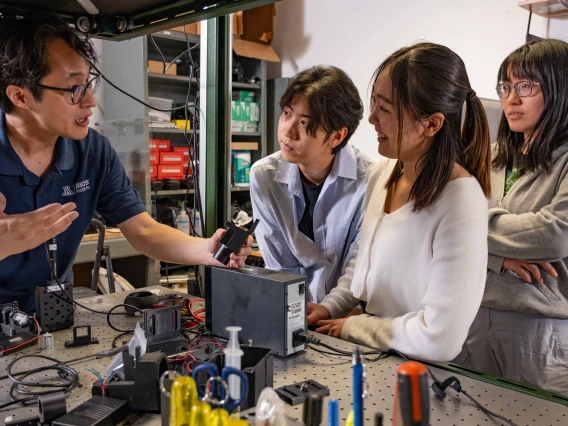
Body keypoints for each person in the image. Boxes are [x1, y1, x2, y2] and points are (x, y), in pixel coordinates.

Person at [0, 13, 251, 312]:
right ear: (20, 96)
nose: (90, 101)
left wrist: (206, 249)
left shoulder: (92, 151)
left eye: (89, 83)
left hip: (53, 316)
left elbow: (143, 231)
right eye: (74, 89)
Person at [307, 42, 492, 361]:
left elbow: (441, 338)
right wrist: (328, 307)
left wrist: (354, 327)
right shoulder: (384, 173)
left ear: (431, 124)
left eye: (386, 109)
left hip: (420, 368)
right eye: (374, 104)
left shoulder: (460, 201)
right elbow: (364, 267)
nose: (372, 119)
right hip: (374, 353)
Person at [457, 39, 568, 395]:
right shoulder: (489, 157)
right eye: (505, 87)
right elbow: (442, 227)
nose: (511, 99)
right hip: (471, 316)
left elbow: (554, 233)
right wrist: (500, 257)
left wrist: (474, 226)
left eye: (525, 86)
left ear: (559, 89)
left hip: (538, 329)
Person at [250, 66, 376, 303]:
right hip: (291, 310)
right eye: (287, 114)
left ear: (336, 136)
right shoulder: (264, 177)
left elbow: (360, 266)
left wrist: (330, 310)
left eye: (305, 123)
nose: (288, 131)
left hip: (347, 315)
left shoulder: (371, 180)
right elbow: (279, 265)